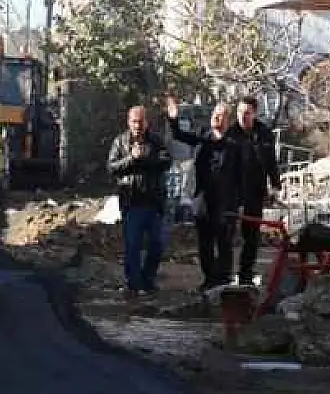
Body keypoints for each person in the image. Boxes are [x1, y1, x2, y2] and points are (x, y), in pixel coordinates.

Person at [164, 96, 244, 291]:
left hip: (226, 202)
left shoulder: (235, 145)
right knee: (205, 242)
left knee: (224, 242)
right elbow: (179, 135)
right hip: (203, 199)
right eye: (215, 115)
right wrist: (173, 118)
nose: (217, 118)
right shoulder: (202, 137)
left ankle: (223, 280)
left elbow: (242, 175)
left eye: (221, 116)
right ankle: (209, 279)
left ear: (228, 120)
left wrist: (240, 202)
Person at [106, 105, 173, 299]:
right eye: (134, 121)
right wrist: (132, 159)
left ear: (147, 122)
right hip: (132, 202)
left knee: (157, 244)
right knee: (132, 246)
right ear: (129, 122)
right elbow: (112, 168)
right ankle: (134, 286)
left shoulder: (156, 141)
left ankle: (148, 280)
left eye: (141, 121)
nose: (137, 125)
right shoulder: (120, 142)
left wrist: (147, 156)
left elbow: (166, 161)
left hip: (153, 203)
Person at [231, 95, 283, 285]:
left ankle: (246, 275)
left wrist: (275, 185)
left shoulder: (263, 133)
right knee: (227, 236)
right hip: (233, 192)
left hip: (255, 191)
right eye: (239, 113)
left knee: (251, 237)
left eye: (246, 113)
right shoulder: (231, 133)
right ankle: (222, 275)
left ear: (254, 113)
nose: (242, 117)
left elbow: (270, 162)